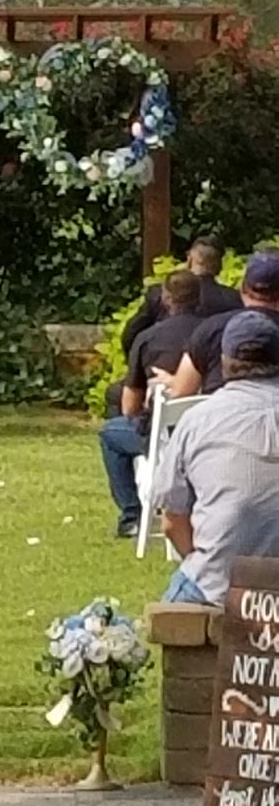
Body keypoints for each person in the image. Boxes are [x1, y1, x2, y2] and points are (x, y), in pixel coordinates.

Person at [155, 310, 279, 606]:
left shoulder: (197, 420)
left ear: (224, 360)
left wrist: (203, 563)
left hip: (217, 588)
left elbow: (172, 521)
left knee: (171, 611)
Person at [98, 271, 203, 539]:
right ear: (199, 297)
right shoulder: (214, 334)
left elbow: (129, 406)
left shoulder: (147, 338)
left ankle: (131, 515)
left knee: (110, 433)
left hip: (163, 438)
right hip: (208, 433)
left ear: (166, 299)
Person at [158, 249, 279, 399]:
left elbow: (181, 392)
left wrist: (170, 381)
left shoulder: (210, 329)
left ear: (242, 289)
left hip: (219, 411)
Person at [121, 235, 239, 357]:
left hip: (164, 360)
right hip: (211, 364)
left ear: (190, 260)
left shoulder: (161, 293)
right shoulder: (233, 299)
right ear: (219, 266)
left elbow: (131, 334)